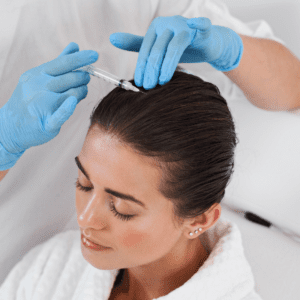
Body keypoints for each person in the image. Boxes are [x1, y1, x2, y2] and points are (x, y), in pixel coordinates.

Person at [1, 13, 300, 300]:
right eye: (84, 184)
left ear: (200, 218)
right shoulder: (54, 266)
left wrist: (230, 49)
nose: (84, 218)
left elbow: (292, 84)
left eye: (121, 208)